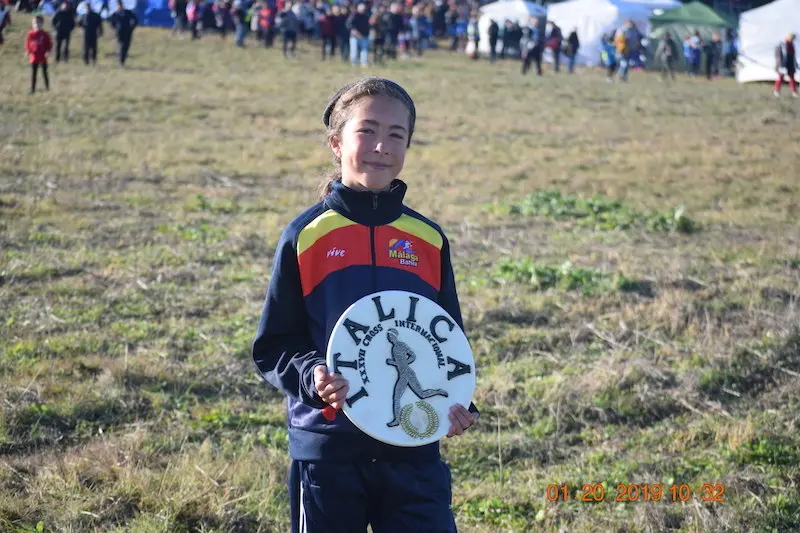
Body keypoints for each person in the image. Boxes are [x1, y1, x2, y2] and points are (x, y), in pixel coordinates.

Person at [252, 76, 480, 533]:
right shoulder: (307, 236)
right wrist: (312, 376)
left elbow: (447, 337)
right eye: (367, 131)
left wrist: (460, 403)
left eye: (397, 135)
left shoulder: (428, 240)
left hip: (413, 451)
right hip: (328, 450)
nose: (381, 146)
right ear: (336, 143)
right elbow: (274, 344)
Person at [26, 15, 52, 94]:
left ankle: (47, 87)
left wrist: (48, 51)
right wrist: (28, 50)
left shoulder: (45, 34)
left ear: (41, 23)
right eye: (34, 22)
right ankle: (32, 89)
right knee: (33, 73)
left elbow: (49, 44)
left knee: (44, 72)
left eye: (38, 22)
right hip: (34, 56)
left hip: (43, 56)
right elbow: (28, 43)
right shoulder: (30, 33)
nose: (36, 24)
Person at [109, 0, 137, 66]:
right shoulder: (115, 14)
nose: (120, 6)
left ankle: (122, 59)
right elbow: (112, 23)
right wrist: (116, 27)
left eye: (121, 5)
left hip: (128, 32)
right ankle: (121, 61)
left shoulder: (128, 12)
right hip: (120, 33)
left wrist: (132, 27)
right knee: (122, 46)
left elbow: (135, 19)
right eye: (119, 5)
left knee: (126, 46)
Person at [774, 32, 798, 98]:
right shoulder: (782, 44)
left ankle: (794, 92)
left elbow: (793, 56)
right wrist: (779, 64)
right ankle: (776, 91)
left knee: (792, 78)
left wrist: (796, 64)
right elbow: (778, 55)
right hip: (783, 64)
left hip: (790, 64)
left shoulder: (792, 45)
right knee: (780, 78)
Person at [78, 0, 102, 65]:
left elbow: (99, 24)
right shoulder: (83, 16)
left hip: (94, 33)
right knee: (86, 48)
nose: (88, 8)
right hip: (86, 34)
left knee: (94, 48)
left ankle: (94, 60)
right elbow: (79, 23)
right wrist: (81, 28)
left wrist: (100, 32)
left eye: (89, 7)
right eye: (87, 7)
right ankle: (86, 61)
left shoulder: (95, 15)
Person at [347, 3, 369, 67]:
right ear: (358, 8)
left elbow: (367, 26)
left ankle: (364, 63)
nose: (363, 10)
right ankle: (354, 64)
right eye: (361, 8)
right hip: (354, 37)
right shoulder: (354, 15)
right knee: (354, 51)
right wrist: (354, 30)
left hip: (364, 36)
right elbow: (348, 24)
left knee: (364, 50)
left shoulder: (366, 16)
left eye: (364, 8)